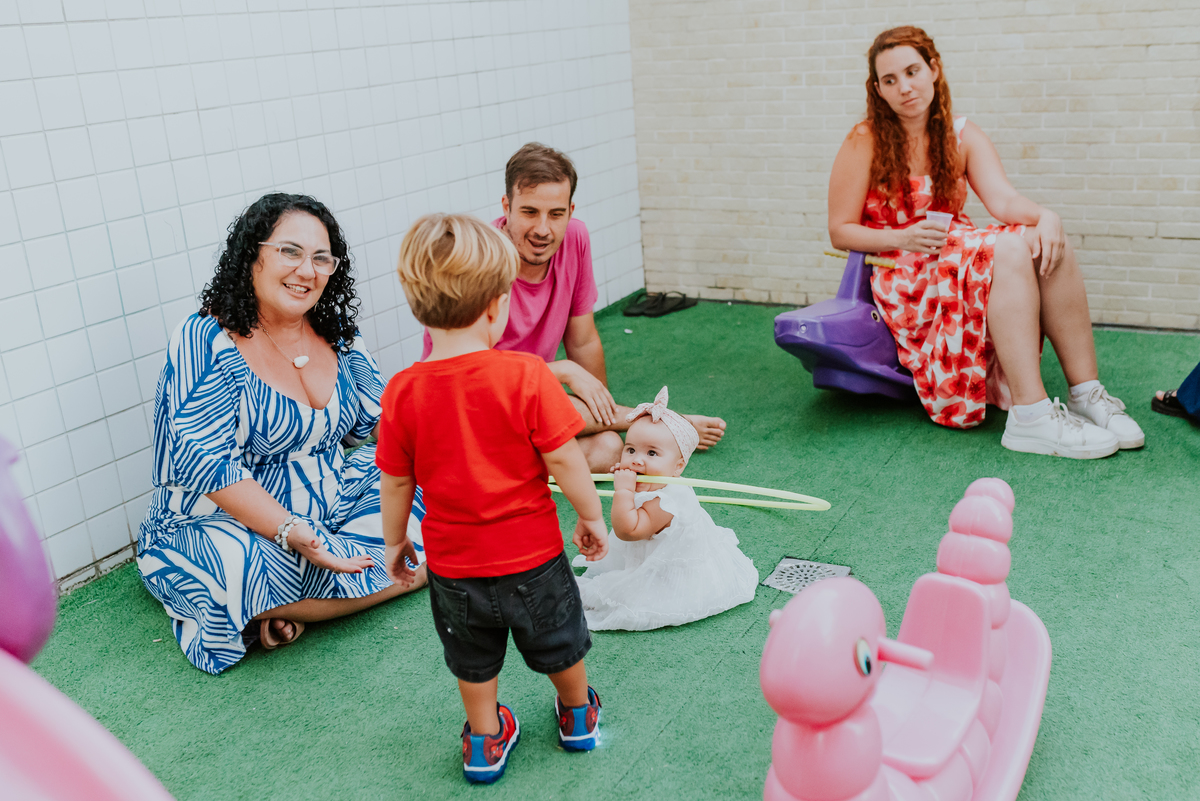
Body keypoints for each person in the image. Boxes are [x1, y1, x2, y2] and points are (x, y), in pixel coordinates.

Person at [137, 194, 428, 675]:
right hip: (228, 521)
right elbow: (206, 465)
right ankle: (405, 576)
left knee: (427, 488)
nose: (307, 271)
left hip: (334, 499)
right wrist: (294, 532)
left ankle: (291, 607)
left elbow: (383, 423)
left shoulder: (335, 331)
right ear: (251, 255)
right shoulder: (205, 338)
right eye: (290, 251)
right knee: (237, 564)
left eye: (321, 258)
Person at [827, 26, 1145, 459]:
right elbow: (840, 230)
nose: (904, 87)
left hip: (956, 252)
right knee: (1009, 247)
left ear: (934, 70)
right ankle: (1031, 416)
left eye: (912, 71)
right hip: (903, 269)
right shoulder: (864, 140)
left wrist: (1045, 216)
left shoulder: (961, 135)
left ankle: (1086, 393)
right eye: (890, 80)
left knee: (1045, 240)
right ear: (878, 89)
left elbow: (1003, 201)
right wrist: (902, 236)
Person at [378, 213, 609, 784]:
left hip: (455, 569)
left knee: (473, 658)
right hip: (533, 557)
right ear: (495, 307)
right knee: (559, 638)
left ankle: (484, 740)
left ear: (418, 308)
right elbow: (564, 458)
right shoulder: (527, 375)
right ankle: (577, 713)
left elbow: (397, 481)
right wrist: (591, 515)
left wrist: (394, 541)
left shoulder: (402, 392)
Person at [421, 143, 727, 471]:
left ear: (570, 210)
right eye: (529, 212)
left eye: (556, 214)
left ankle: (508, 464)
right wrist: (565, 371)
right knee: (556, 411)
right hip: (473, 403)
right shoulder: (478, 258)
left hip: (531, 402)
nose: (542, 229)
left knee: (609, 446)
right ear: (507, 207)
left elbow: (583, 340)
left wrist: (600, 408)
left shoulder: (575, 238)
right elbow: (467, 372)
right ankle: (660, 422)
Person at [574, 387, 758, 631]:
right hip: (650, 554)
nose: (636, 459)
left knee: (610, 598)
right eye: (630, 449)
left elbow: (628, 531)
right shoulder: (656, 482)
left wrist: (624, 492)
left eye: (652, 453)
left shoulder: (665, 501)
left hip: (672, 574)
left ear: (678, 467)